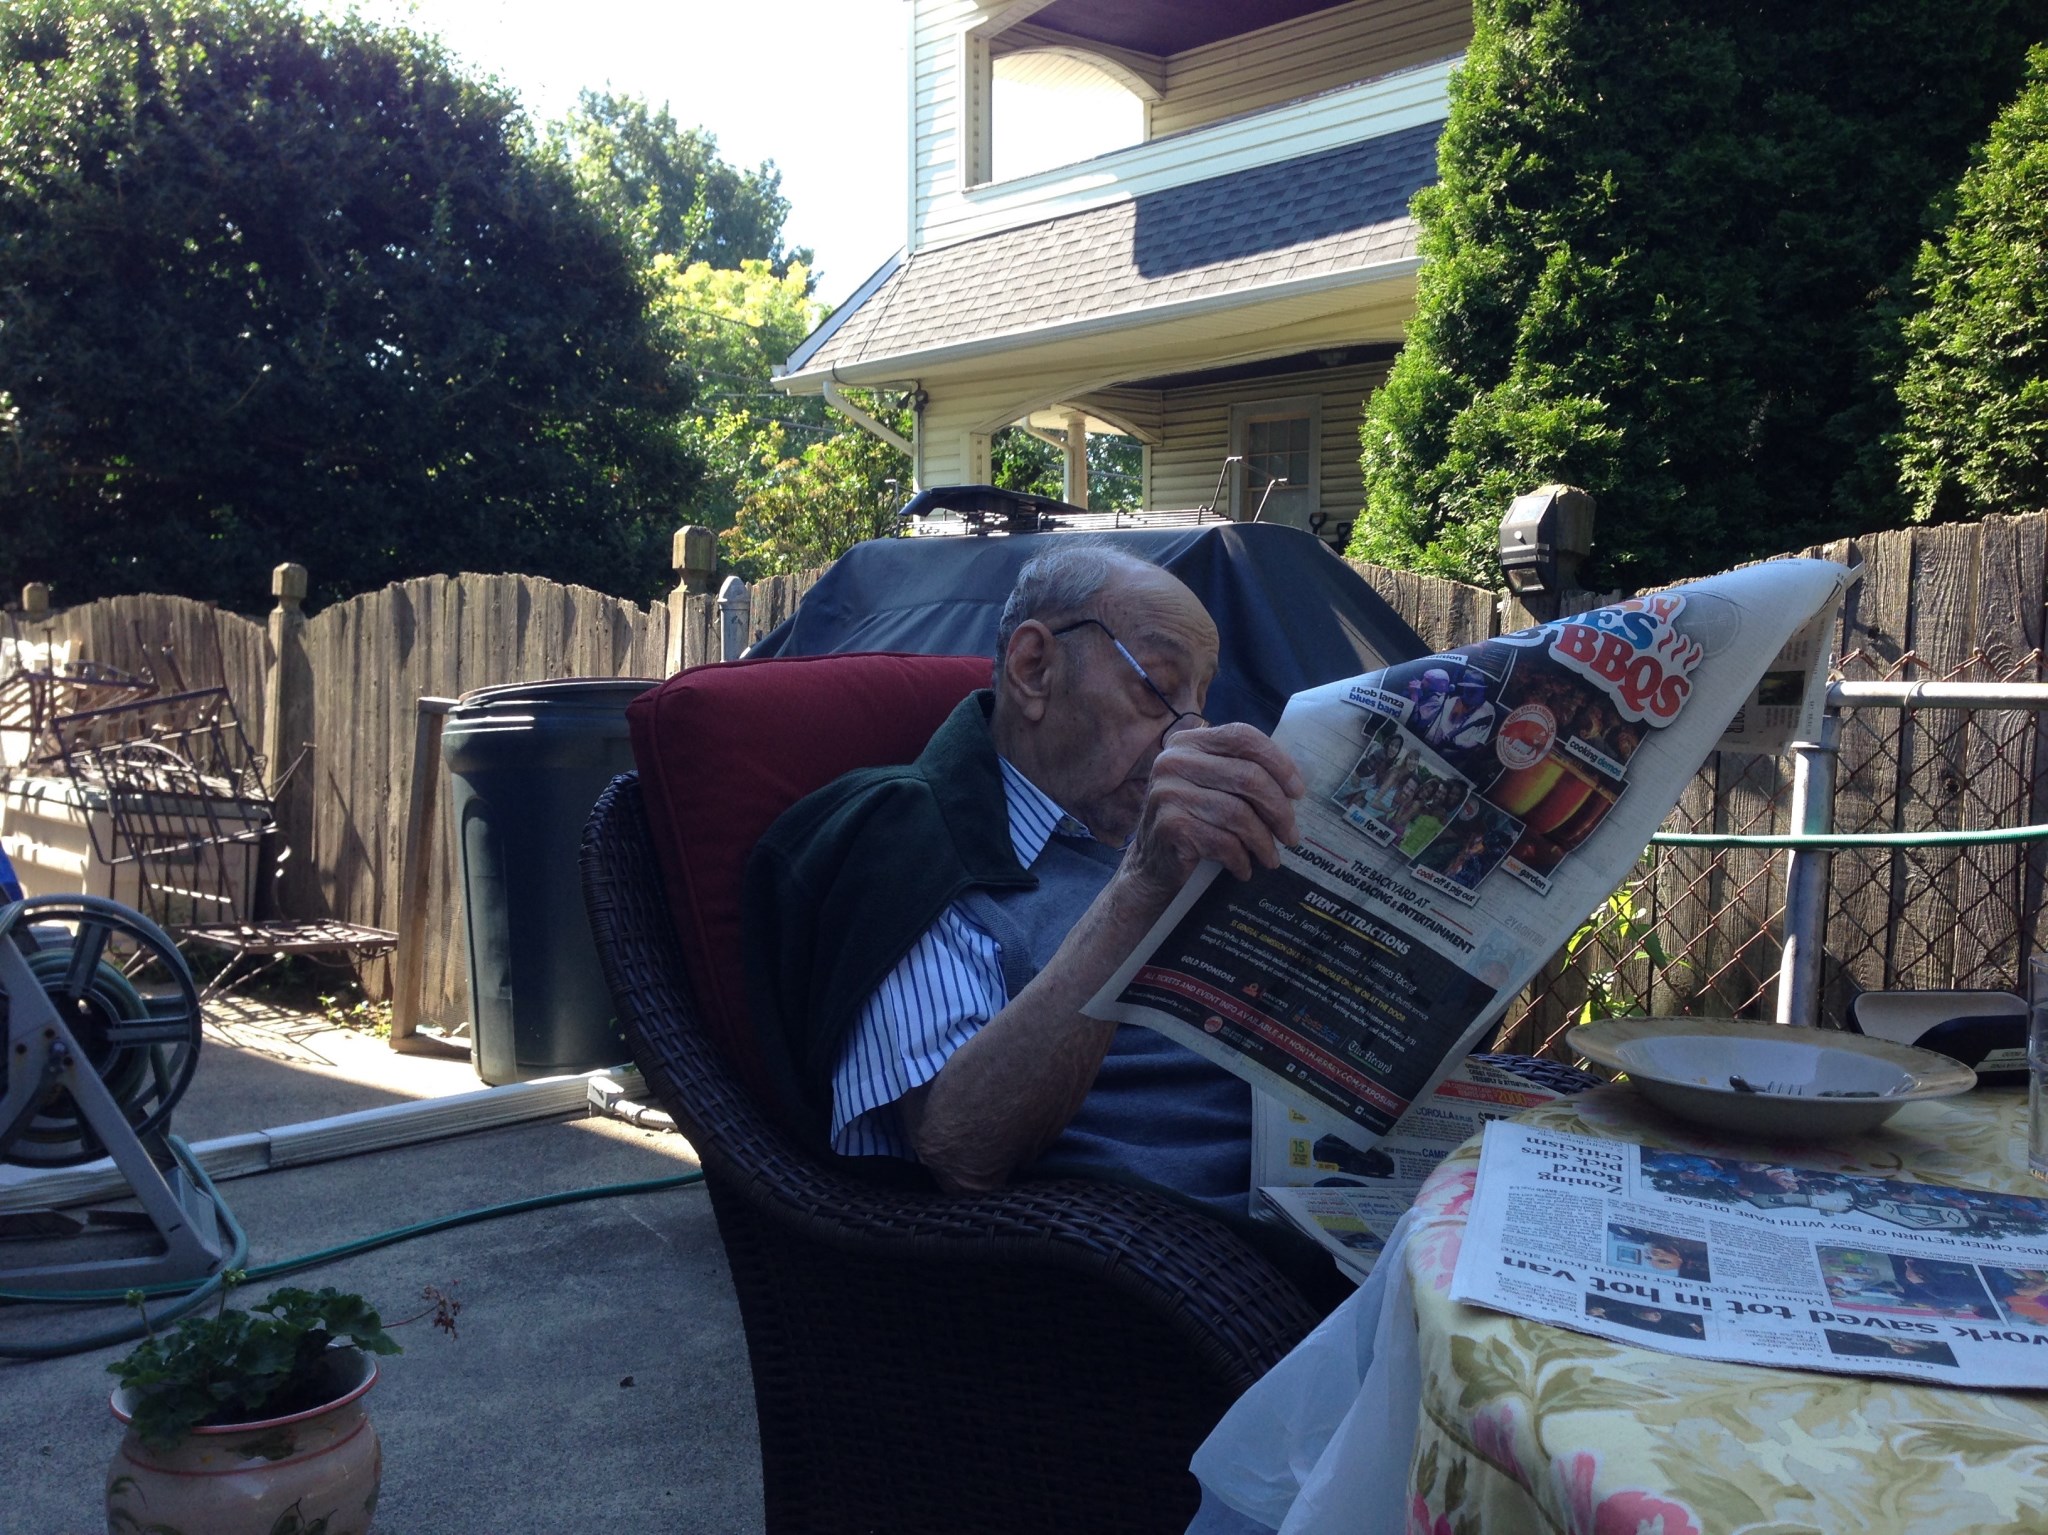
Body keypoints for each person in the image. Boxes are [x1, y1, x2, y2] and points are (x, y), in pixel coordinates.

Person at [742, 544, 1307, 1219]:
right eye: (1159, 687)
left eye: (1201, 700)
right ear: (1034, 668)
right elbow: (959, 1147)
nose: (1187, 733)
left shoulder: (1147, 835)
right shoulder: (909, 834)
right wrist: (1140, 889)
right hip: (1164, 1248)